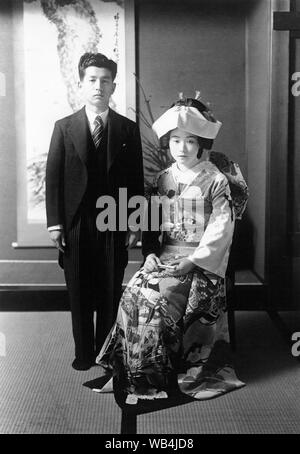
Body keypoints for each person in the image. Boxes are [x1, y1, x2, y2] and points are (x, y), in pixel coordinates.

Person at [95, 94, 247, 404]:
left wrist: (193, 260)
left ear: (201, 143)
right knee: (134, 291)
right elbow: (152, 225)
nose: (182, 148)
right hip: (166, 257)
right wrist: (150, 253)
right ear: (168, 142)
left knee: (156, 297)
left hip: (201, 262)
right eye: (176, 140)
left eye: (190, 141)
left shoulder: (216, 180)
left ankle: (161, 373)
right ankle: (128, 372)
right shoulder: (163, 179)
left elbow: (221, 229)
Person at [46, 53, 144, 371]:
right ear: (81, 84)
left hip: (114, 219)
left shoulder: (127, 130)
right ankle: (83, 354)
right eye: (92, 80)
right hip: (76, 221)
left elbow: (135, 180)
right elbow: (54, 178)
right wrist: (55, 224)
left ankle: (105, 354)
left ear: (113, 86)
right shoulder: (64, 128)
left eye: (105, 80)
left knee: (109, 288)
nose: (98, 86)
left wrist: (134, 222)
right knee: (78, 290)